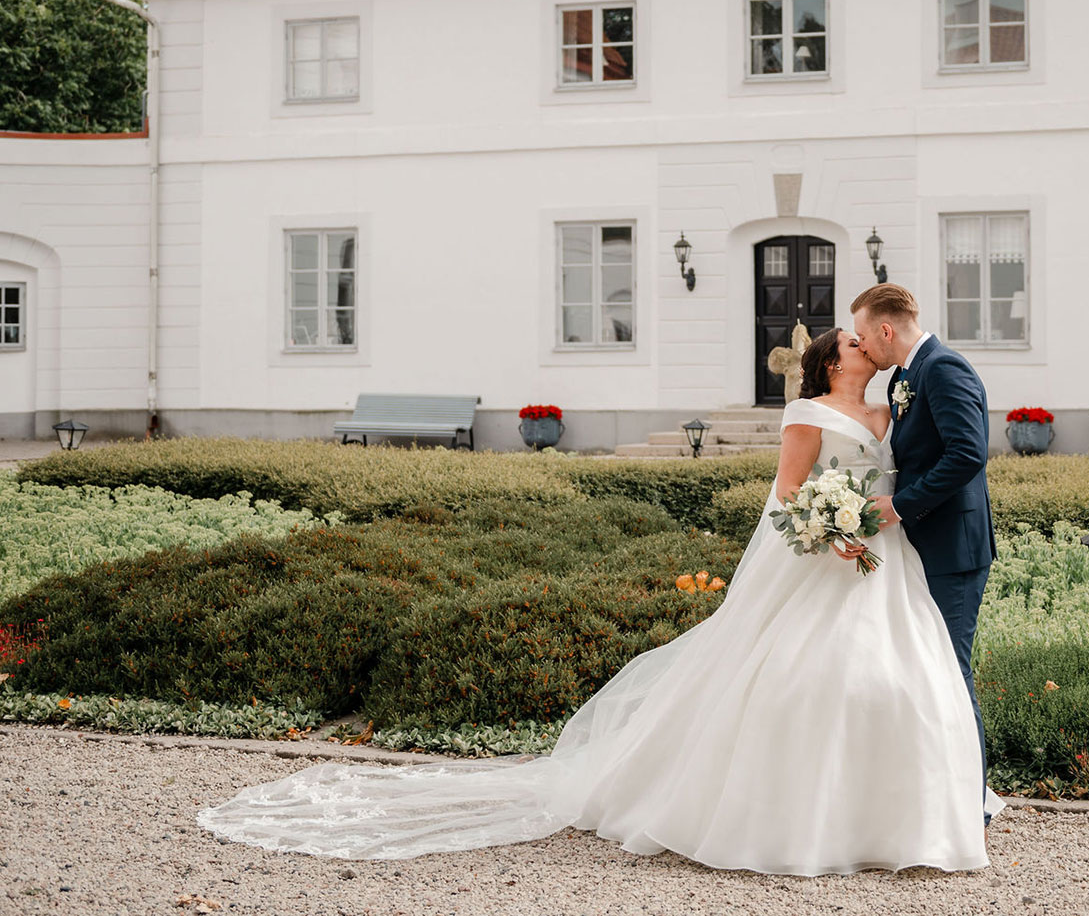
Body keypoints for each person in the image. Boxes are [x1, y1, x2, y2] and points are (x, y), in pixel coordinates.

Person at [195, 323, 1000, 874]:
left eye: (869, 338)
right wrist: (830, 531)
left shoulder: (885, 407)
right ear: (833, 361)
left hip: (882, 559)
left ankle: (899, 816)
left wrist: (865, 526)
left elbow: (916, 463)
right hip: (829, 557)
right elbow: (788, 494)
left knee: (898, 677)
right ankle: (786, 819)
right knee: (796, 681)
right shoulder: (807, 411)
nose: (870, 346)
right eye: (858, 342)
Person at [844, 282, 998, 819]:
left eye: (864, 337)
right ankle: (941, 800)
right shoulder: (907, 376)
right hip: (921, 547)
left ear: (886, 330)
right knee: (928, 672)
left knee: (952, 674)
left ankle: (968, 807)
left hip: (952, 548)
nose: (863, 347)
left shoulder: (943, 368)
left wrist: (900, 507)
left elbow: (966, 455)